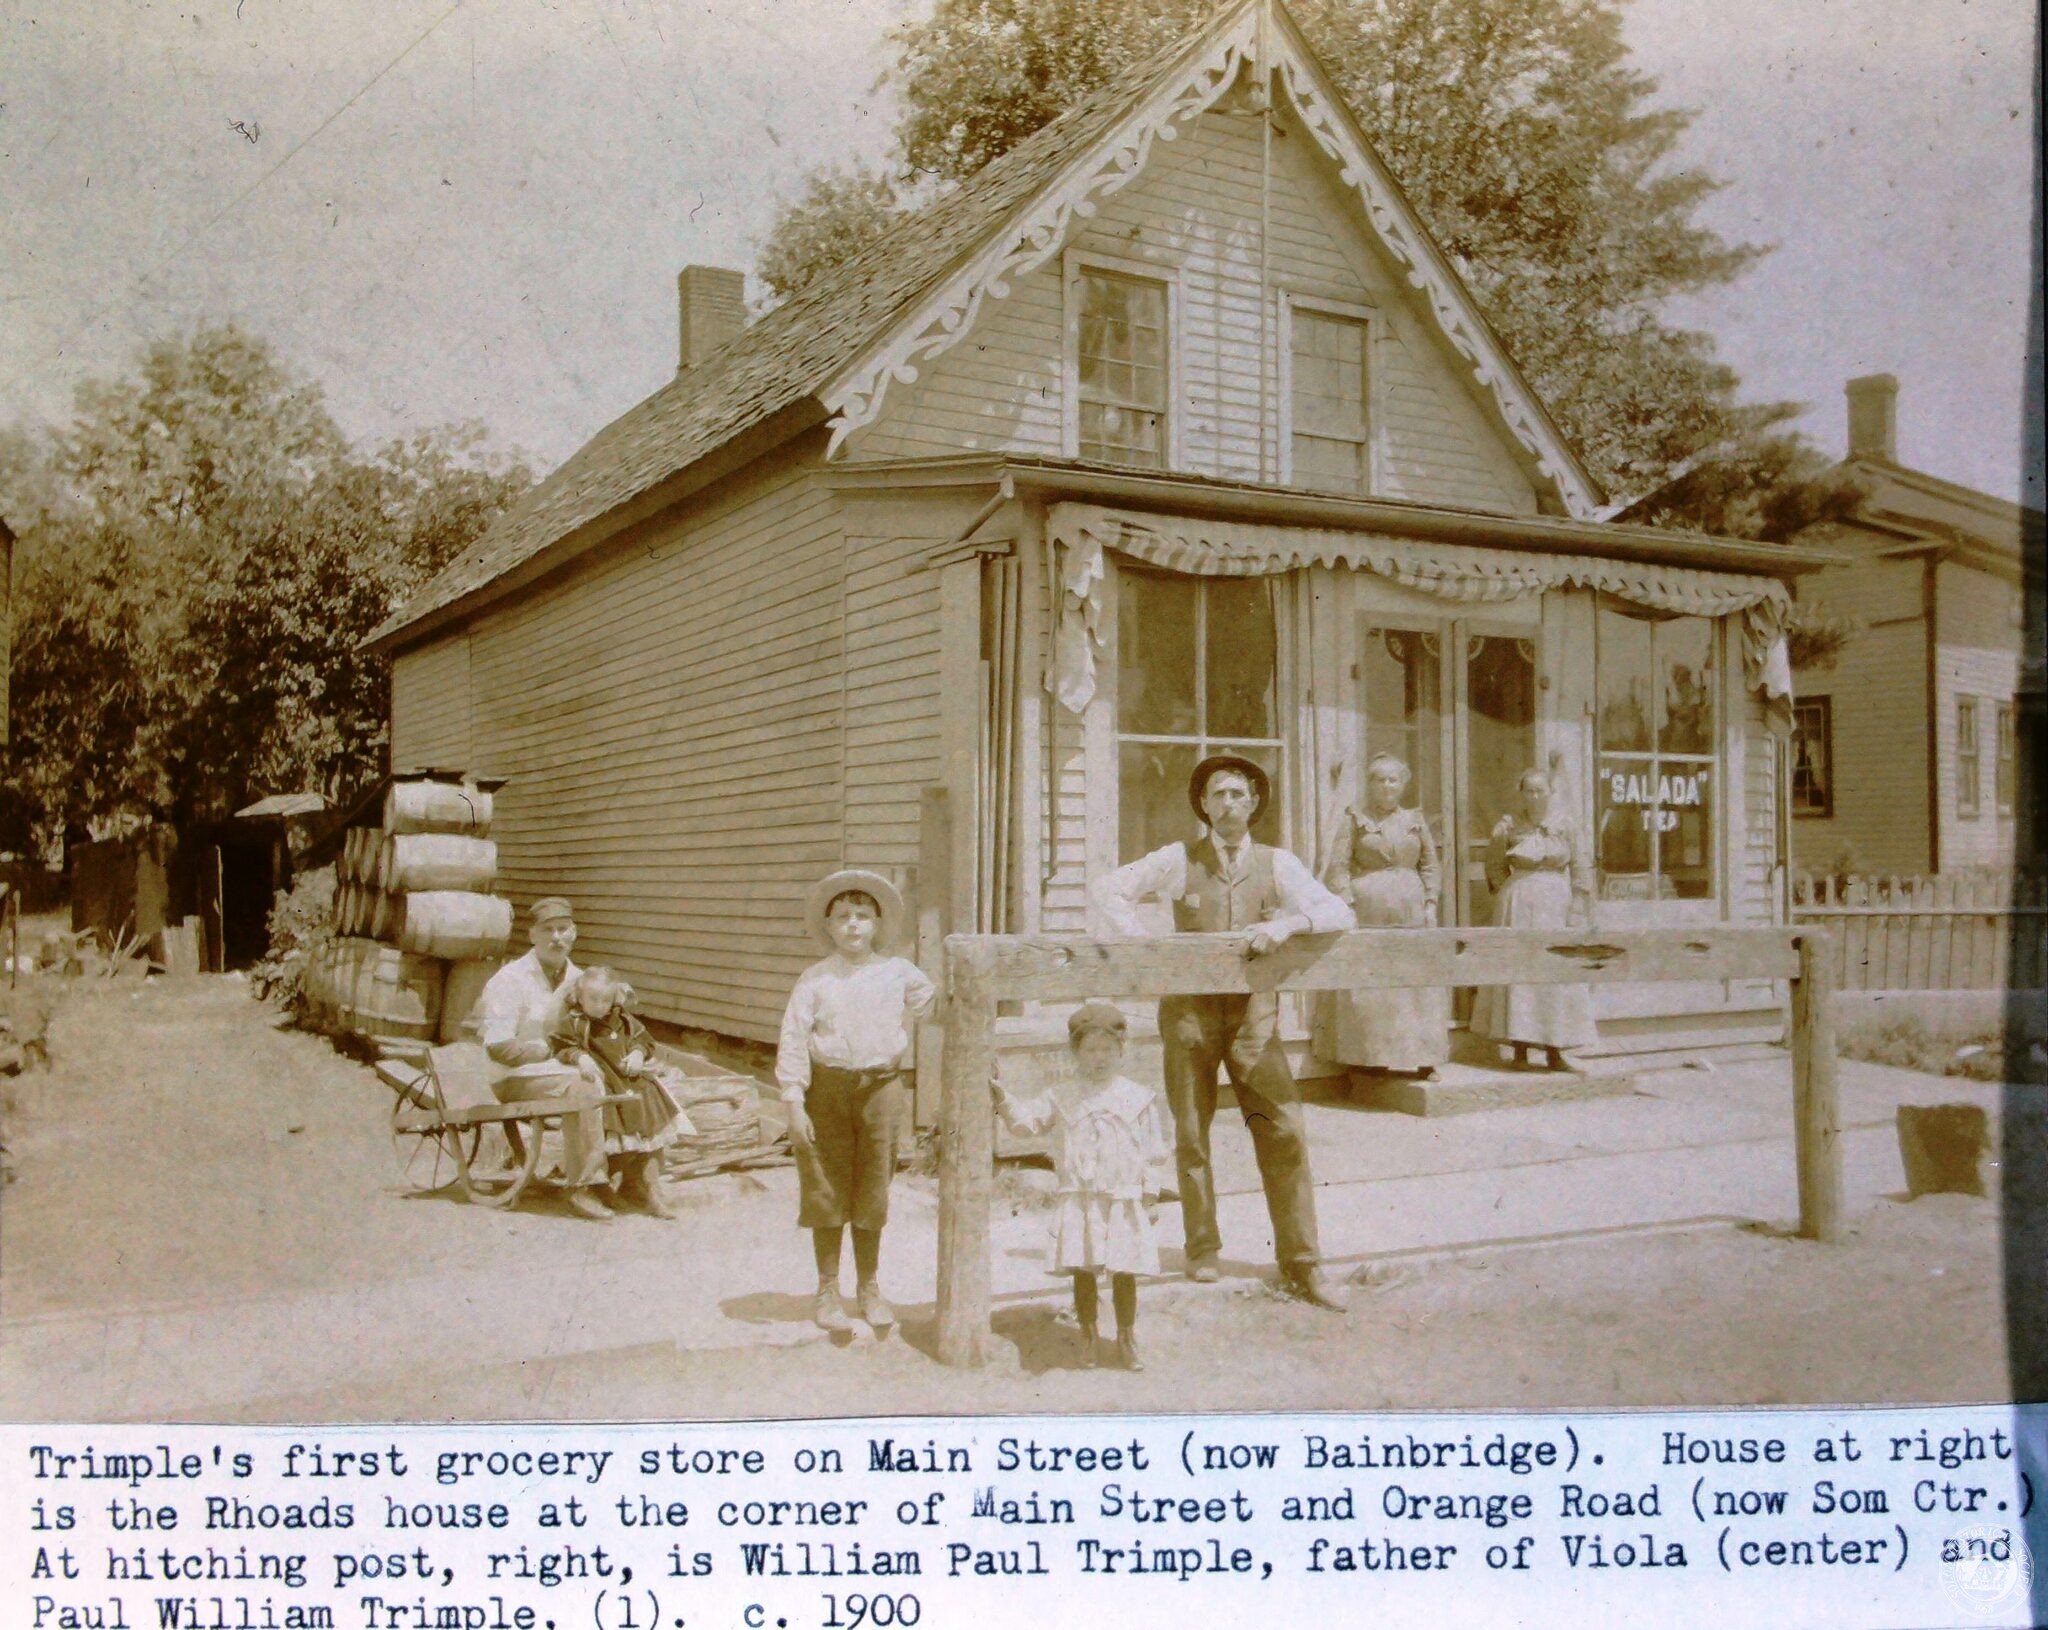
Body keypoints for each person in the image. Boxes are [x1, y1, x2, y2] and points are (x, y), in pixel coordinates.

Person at [1093, 754, 1355, 1311]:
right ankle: (1203, 1247)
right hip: (1189, 1014)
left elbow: (1337, 912)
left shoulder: (1277, 862)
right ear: (1204, 805)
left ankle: (1302, 1262)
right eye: (1218, 795)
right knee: (1191, 1132)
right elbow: (1109, 890)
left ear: (1254, 802)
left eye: (1239, 794)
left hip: (1253, 1016)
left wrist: (1286, 924)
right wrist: (1147, 947)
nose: (1229, 804)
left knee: (1283, 1128)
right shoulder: (1176, 858)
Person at [775, 868, 936, 1335]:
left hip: (881, 1089)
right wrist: (792, 1100)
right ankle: (827, 1289)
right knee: (825, 1184)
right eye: (842, 916)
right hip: (827, 1089)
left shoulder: (898, 972)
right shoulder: (815, 979)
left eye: (862, 916)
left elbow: (935, 1005)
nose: (852, 925)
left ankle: (868, 1287)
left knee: (873, 1185)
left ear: (877, 924)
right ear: (828, 926)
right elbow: (793, 1038)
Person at [994, 1002, 1166, 1371]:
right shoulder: (1062, 1095)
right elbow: (1027, 1123)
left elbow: (1153, 1151)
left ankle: (1125, 1337)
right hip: (1080, 1198)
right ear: (1075, 1052)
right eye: (1090, 1050)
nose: (1099, 1059)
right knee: (1084, 1268)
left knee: (1124, 1269)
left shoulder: (1138, 1098)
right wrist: (1003, 1100)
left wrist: (1149, 1196)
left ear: (1122, 1051)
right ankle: (1088, 1334)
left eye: (1107, 1050)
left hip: (1122, 1197)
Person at [475, 896, 614, 1221]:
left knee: (615, 1078)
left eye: (563, 929)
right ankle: (581, 1185)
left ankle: (622, 1178)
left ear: (574, 933)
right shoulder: (509, 979)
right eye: (547, 930)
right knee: (582, 1086)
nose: (556, 938)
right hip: (513, 1077)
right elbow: (498, 1046)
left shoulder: (580, 980)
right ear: (532, 935)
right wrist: (544, 1050)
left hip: (559, 1068)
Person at [1314, 753, 1449, 1083]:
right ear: (1370, 785)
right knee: (1373, 985)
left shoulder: (1415, 820)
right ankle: (1369, 1059)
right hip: (1368, 911)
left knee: (1416, 984)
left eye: (1393, 780)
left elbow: (1430, 865)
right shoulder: (1354, 819)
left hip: (1412, 911)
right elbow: (1338, 867)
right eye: (1379, 780)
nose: (1386, 786)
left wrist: (1431, 902)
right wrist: (1347, 904)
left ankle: (1424, 1058)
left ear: (1403, 784)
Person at [1470, 768, 1598, 1069]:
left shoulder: (1566, 825)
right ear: (1522, 795)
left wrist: (1577, 905)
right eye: (1529, 791)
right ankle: (1520, 1050)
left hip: (1556, 902)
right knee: (1519, 972)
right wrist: (1513, 893)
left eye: (1541, 790)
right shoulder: (1508, 826)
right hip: (1518, 906)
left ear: (1550, 793)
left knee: (1555, 971)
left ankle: (1556, 1051)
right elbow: (1495, 866)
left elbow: (1581, 865)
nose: (1536, 796)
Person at [547, 966, 694, 1219]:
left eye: (606, 999)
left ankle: (646, 1187)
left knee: (650, 1120)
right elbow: (560, 1044)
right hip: (608, 1080)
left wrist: (638, 1053)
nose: (600, 1005)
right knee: (616, 1136)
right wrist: (579, 1056)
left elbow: (645, 1039)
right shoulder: (576, 1021)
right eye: (593, 999)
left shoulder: (623, 1019)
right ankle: (599, 1185)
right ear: (580, 998)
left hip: (631, 1079)